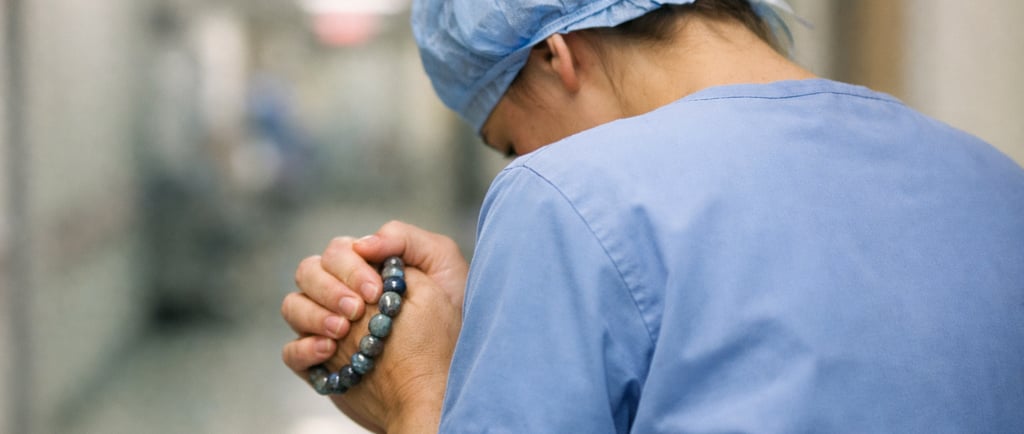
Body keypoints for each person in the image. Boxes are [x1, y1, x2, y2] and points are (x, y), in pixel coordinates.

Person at [280, 0, 1024, 432]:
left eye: (509, 139)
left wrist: (418, 393)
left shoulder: (563, 195)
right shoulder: (996, 185)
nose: (522, 162)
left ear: (557, 57)